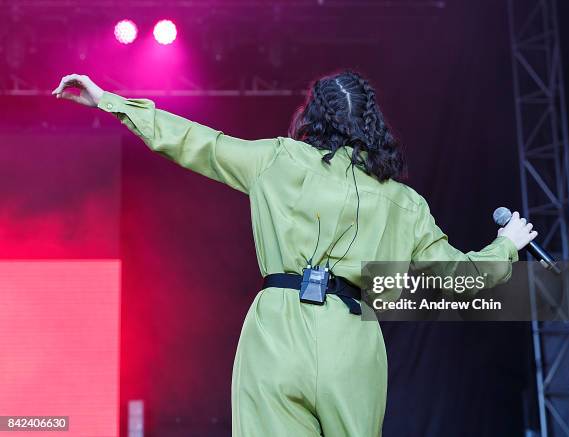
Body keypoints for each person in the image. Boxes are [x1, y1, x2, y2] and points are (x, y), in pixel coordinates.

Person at [52, 71, 536, 437]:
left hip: (275, 333)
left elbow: (196, 142)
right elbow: (458, 278)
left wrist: (107, 100)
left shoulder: (278, 160)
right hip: (350, 340)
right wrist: (506, 245)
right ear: (371, 123)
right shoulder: (404, 203)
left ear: (314, 117)